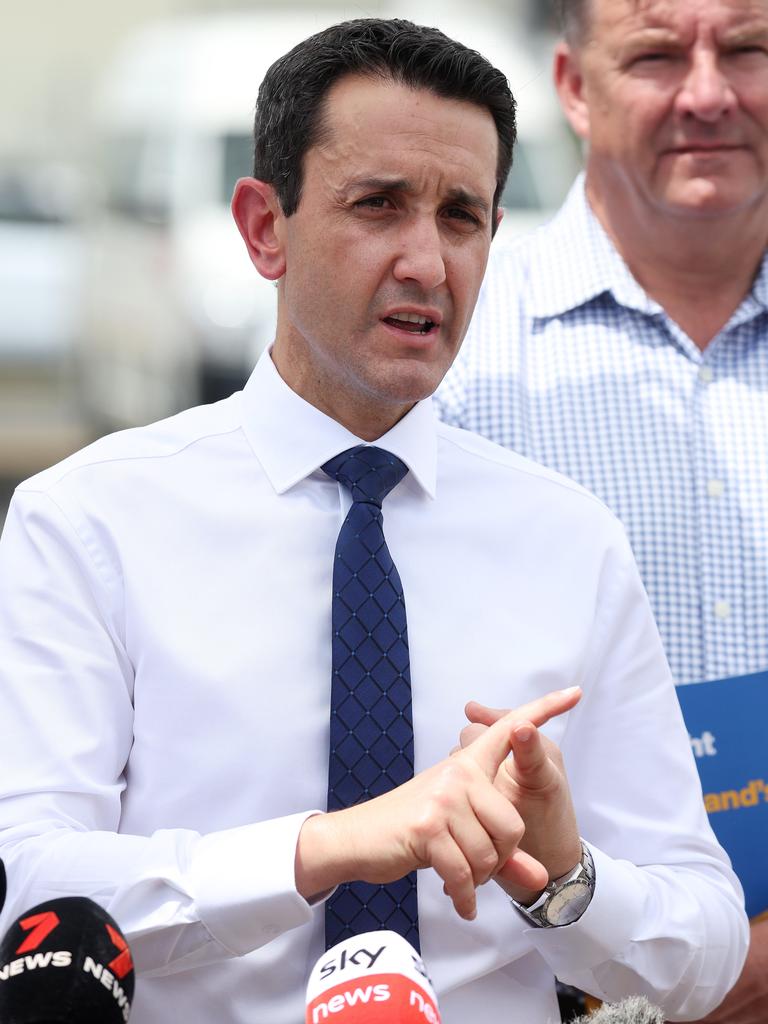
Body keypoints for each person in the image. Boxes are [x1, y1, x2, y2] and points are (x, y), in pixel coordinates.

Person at [0, 17, 748, 1024]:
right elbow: (31, 885)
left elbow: (704, 942)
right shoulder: (88, 524)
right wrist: (332, 847)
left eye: (461, 216)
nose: (427, 262)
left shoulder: (568, 540)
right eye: (379, 205)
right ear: (265, 226)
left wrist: (563, 877)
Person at [435, 1, 768, 1022]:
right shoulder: (454, 355)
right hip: (546, 971)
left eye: (749, 49)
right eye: (659, 56)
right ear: (574, 86)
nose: (707, 93)